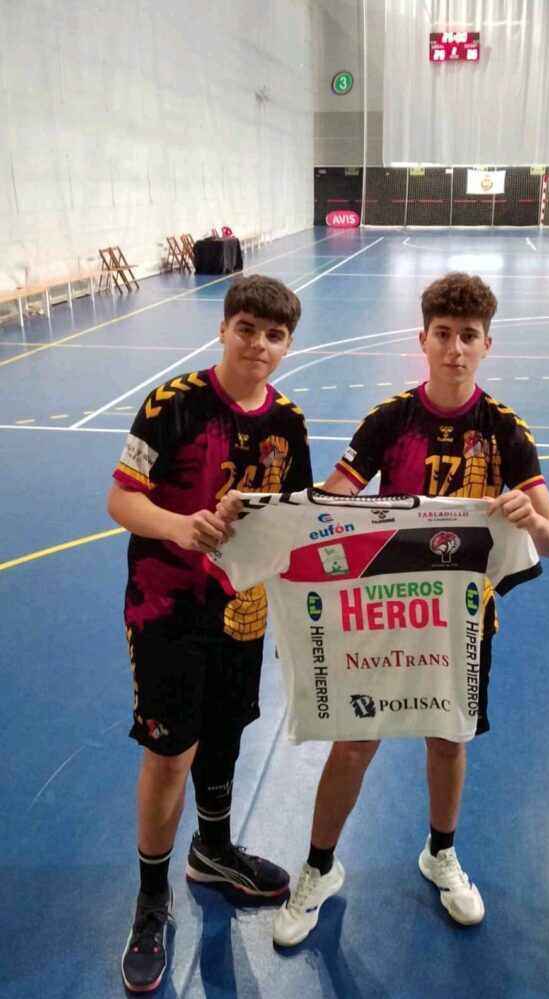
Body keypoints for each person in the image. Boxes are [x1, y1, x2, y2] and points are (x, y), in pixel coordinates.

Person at [223, 271, 549, 946]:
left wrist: (530, 518)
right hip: (377, 622)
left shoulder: (504, 431)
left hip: (461, 625)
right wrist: (257, 514)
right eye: (443, 334)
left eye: (469, 337)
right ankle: (319, 865)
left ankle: (440, 851)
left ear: (487, 345)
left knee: (448, 739)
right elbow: (329, 504)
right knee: (355, 743)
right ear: (424, 338)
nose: (455, 349)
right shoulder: (389, 421)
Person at [108, 274, 312, 992]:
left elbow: (292, 520)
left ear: (288, 344)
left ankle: (215, 851)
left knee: (225, 730)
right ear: (223, 328)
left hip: (241, 608)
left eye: (275, 334)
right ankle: (151, 896)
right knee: (170, 751)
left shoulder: (288, 421)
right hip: (166, 605)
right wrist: (179, 526)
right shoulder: (174, 405)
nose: (259, 344)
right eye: (247, 328)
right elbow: (120, 499)